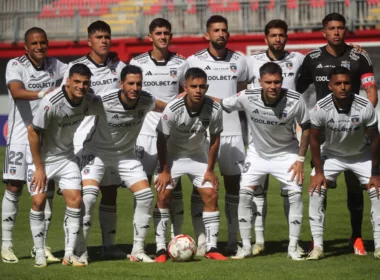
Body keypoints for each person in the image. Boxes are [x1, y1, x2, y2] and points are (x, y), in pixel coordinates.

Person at [296, 12, 378, 255]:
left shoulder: (359, 56)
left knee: (356, 186)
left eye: (341, 28)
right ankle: (316, 242)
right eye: (331, 28)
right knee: (319, 183)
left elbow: (370, 90)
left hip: (353, 129)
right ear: (324, 31)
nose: (336, 32)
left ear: (345, 30)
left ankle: (356, 237)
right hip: (323, 131)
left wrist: (362, 119)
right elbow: (297, 91)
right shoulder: (312, 58)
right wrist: (302, 122)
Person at [220, 62, 310, 260]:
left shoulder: (295, 99)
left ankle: (293, 247)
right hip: (257, 154)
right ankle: (245, 247)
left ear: (282, 81)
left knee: (295, 195)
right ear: (259, 82)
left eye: (277, 82)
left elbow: (307, 127)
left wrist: (301, 159)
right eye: (268, 82)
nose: (273, 86)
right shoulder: (246, 97)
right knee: (244, 195)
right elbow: (221, 103)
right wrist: (192, 96)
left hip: (287, 154)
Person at [80, 65, 166, 263]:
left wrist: (181, 103)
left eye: (138, 83)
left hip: (126, 155)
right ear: (121, 84)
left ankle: (137, 250)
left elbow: (162, 106)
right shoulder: (103, 101)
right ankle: (80, 250)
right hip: (97, 154)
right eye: (131, 83)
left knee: (145, 195)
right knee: (89, 198)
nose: (135, 87)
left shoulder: (146, 99)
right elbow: (77, 107)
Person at [62, 20, 127, 262]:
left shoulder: (120, 67)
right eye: (99, 37)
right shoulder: (76, 68)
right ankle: (78, 247)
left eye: (107, 36)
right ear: (89, 41)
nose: (104, 40)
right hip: (81, 140)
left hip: (110, 140)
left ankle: (108, 246)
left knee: (110, 192)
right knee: (83, 196)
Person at [1, 27, 67, 263]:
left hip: (44, 138)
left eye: (43, 43)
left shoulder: (54, 64)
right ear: (26, 47)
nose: (39, 47)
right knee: (14, 187)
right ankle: (6, 245)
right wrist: (44, 95)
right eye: (34, 43)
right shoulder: (15, 64)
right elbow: (16, 92)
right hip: (19, 137)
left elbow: (76, 72)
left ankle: (41, 245)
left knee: (45, 192)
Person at [187, 15, 249, 256]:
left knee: (234, 187)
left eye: (224, 30)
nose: (221, 34)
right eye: (216, 30)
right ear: (207, 34)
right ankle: (203, 240)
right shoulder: (194, 60)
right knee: (200, 188)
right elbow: (186, 92)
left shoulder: (240, 61)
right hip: (204, 135)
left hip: (233, 133)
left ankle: (233, 240)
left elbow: (241, 95)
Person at [27, 63, 97, 267]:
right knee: (38, 201)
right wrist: (39, 168)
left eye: (85, 83)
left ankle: (69, 254)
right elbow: (33, 132)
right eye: (77, 81)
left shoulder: (89, 100)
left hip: (66, 158)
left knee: (76, 200)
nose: (81, 86)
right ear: (67, 81)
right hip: (42, 158)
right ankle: (39, 252)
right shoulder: (51, 102)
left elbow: (112, 103)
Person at [154, 67, 227, 261]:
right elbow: (161, 139)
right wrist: (164, 170)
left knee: (211, 193)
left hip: (197, 155)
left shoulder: (215, 108)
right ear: (185, 87)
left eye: (202, 87)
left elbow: (215, 139)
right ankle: (161, 248)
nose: (198, 90)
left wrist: (210, 170)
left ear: (207, 87)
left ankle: (211, 248)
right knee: (163, 194)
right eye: (193, 86)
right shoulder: (173, 109)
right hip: (172, 156)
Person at [307, 66, 380, 260]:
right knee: (316, 190)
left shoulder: (364, 106)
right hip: (332, 155)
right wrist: (319, 172)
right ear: (330, 86)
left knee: (377, 190)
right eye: (338, 83)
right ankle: (318, 247)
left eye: (347, 83)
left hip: (360, 155)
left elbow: (375, 139)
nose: (343, 87)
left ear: (352, 85)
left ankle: (379, 246)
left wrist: (375, 173)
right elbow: (314, 140)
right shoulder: (321, 107)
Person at [247, 19, 306, 257]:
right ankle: (259, 240)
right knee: (258, 190)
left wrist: (355, 49)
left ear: (287, 37)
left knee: (290, 190)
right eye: (273, 35)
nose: (278, 39)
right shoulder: (251, 61)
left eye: (282, 35)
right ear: (265, 38)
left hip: (287, 138)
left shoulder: (299, 59)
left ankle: (294, 242)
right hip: (258, 135)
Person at [129, 18, 188, 245]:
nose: (162, 36)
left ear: (170, 36)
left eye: (166, 33)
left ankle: (177, 239)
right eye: (158, 33)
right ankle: (140, 242)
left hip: (172, 129)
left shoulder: (181, 63)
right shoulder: (138, 62)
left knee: (173, 184)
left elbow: (187, 89)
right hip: (144, 130)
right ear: (150, 36)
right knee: (142, 186)